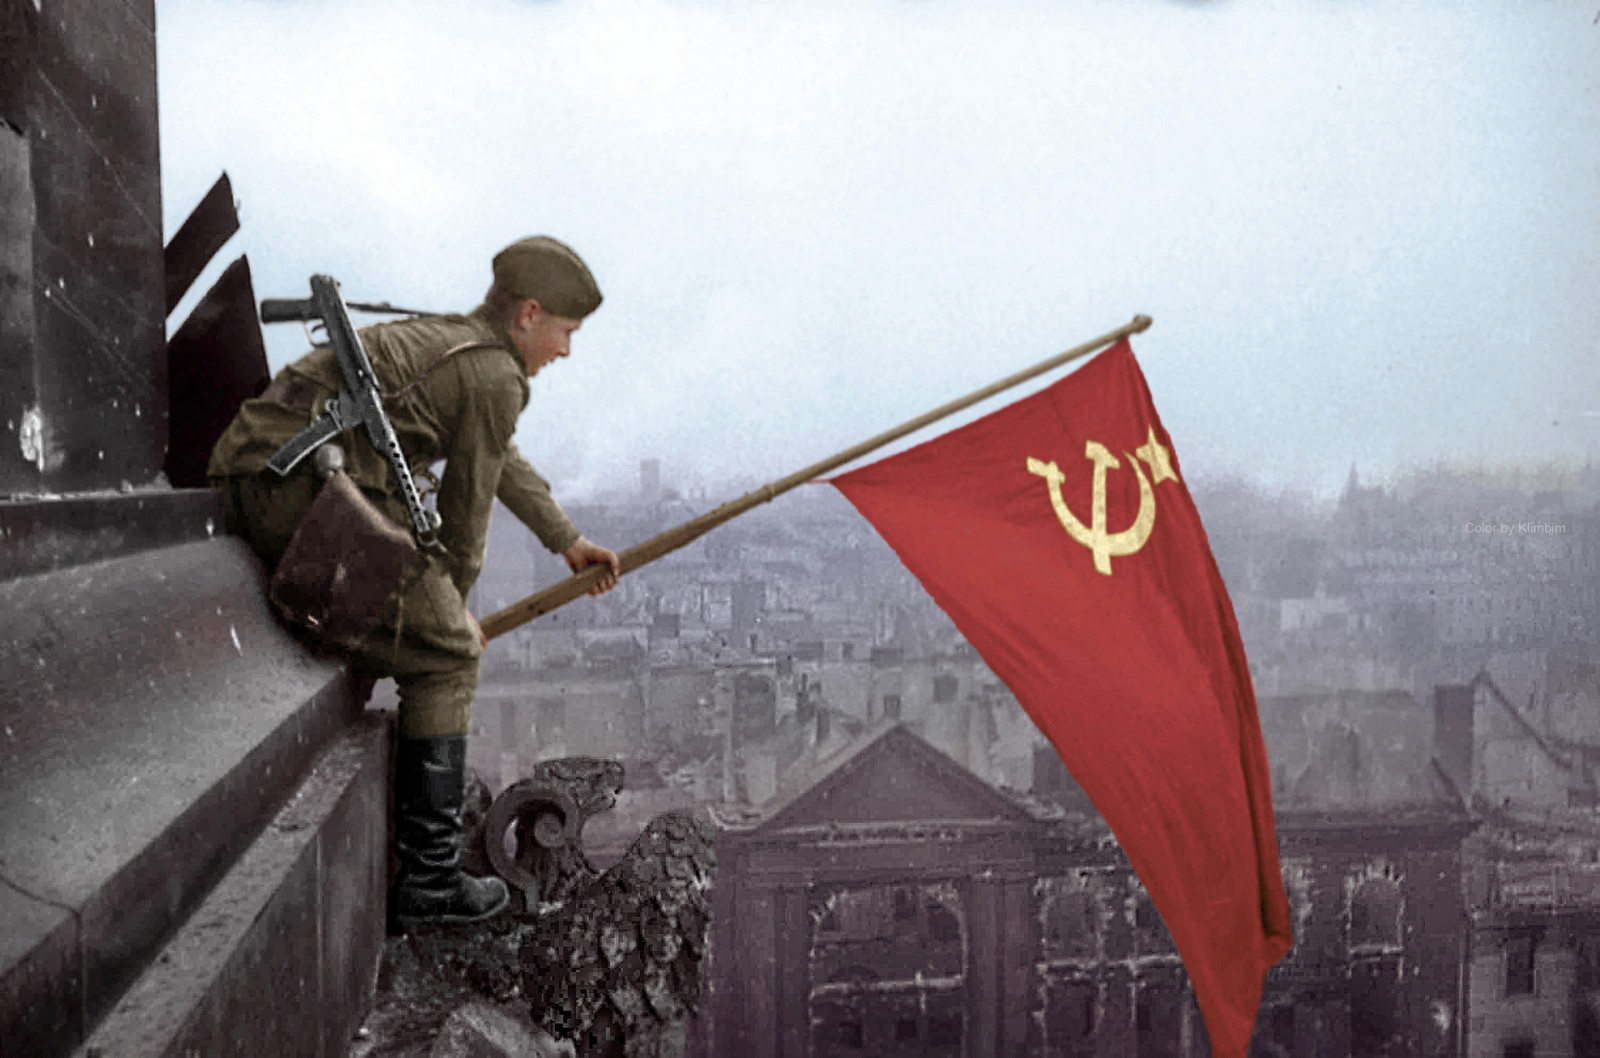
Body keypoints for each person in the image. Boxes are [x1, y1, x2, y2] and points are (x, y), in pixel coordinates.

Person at [207, 236, 621, 929]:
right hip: (297, 487)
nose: (566, 351)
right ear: (528, 314)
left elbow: (499, 456)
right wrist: (447, 623)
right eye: (565, 332)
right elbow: (465, 523)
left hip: (263, 468)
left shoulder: (464, 347)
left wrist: (566, 541)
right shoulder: (495, 375)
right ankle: (429, 881)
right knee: (451, 657)